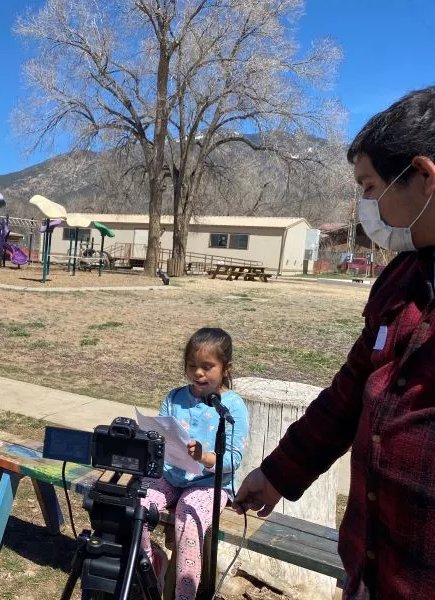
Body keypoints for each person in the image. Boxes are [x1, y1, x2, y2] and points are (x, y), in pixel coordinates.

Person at [234, 86, 435, 600]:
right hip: (372, 571)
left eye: (370, 187)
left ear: (423, 177)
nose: (365, 205)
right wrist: (279, 471)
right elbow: (349, 393)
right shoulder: (400, 280)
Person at [140, 328, 249, 600]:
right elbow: (160, 434)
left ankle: (184, 594)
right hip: (170, 474)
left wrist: (203, 456)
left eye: (207, 367)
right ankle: (149, 568)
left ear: (226, 368)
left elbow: (233, 459)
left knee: (188, 520)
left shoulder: (232, 406)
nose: (198, 373)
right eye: (192, 366)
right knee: (136, 506)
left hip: (208, 484)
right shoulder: (174, 398)